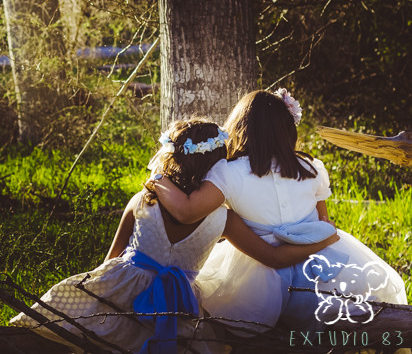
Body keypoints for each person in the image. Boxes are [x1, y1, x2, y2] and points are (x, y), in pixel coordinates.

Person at [11, 119, 339, 354]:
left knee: (82, 326)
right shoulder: (223, 218)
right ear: (217, 166)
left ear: (172, 157)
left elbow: (111, 259)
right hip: (179, 306)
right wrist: (325, 238)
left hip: (119, 294)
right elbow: (274, 258)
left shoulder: (142, 200)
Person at [150, 89, 407, 332]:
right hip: (322, 266)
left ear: (239, 129)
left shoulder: (227, 173)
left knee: (218, 308)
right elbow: (324, 223)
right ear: (287, 130)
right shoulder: (312, 167)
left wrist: (158, 177)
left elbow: (186, 212)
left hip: (259, 273)